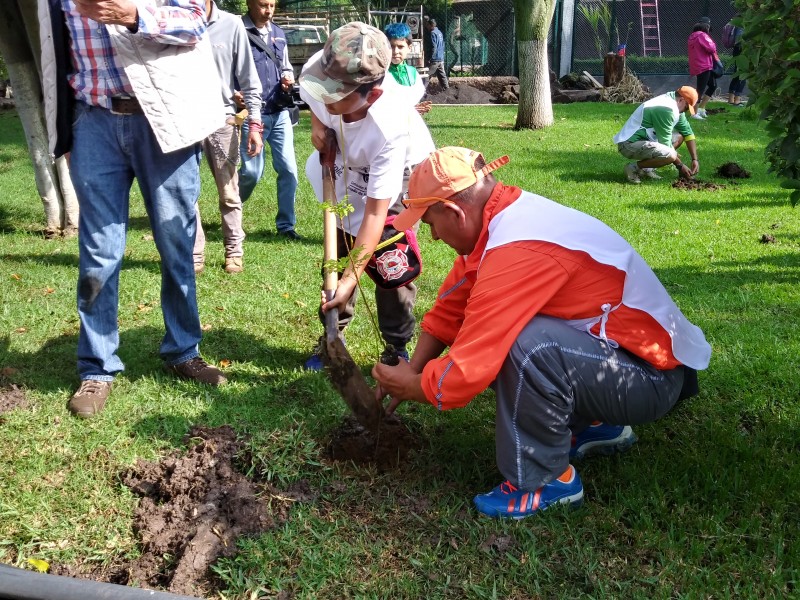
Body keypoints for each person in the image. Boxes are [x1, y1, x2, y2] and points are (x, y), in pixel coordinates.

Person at [372, 146, 712, 519]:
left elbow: (469, 368)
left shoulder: (518, 247)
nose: (433, 236)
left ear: (454, 211)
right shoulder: (500, 218)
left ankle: (545, 481)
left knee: (525, 344)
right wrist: (415, 368)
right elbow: (452, 307)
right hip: (630, 359)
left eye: (430, 223)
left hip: (651, 380)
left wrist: (413, 386)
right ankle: (597, 425)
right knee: (526, 337)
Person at [39, 0, 229, 418]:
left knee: (177, 243)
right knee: (98, 255)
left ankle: (184, 350)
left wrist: (132, 15)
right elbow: (54, 52)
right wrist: (66, 134)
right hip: (94, 121)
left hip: (165, 119)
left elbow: (197, 18)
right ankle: (98, 368)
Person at [298, 22, 435, 369]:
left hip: (397, 177)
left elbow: (375, 215)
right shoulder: (329, 63)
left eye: (336, 94)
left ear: (371, 95)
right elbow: (312, 94)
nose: (326, 95)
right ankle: (333, 337)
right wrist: (318, 124)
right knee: (340, 248)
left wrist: (349, 281)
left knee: (391, 263)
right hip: (345, 160)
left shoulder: (391, 126)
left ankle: (396, 345)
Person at [193, 0, 264, 274]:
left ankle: (234, 250)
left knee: (229, 192)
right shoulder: (175, 22)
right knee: (187, 194)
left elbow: (249, 78)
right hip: (184, 122)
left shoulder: (231, 24)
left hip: (221, 121)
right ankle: (194, 252)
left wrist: (254, 125)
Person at [239, 0, 301, 241]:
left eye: (272, 5)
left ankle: (286, 225)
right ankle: (231, 209)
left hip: (279, 111)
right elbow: (228, 69)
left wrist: (288, 78)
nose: (268, 11)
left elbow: (286, 66)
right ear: (249, 3)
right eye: (263, 5)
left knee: (289, 170)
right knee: (252, 173)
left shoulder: (278, 33)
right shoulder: (238, 32)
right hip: (253, 113)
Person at [613, 86, 701, 184]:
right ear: (681, 100)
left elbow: (688, 133)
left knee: (679, 137)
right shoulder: (666, 109)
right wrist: (680, 166)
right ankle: (633, 168)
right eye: (686, 108)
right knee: (670, 155)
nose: (686, 111)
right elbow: (666, 144)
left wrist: (694, 159)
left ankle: (647, 169)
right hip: (629, 144)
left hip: (644, 141)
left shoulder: (674, 105)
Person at [384, 22, 432, 115]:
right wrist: (407, 110)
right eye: (391, 46)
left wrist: (416, 108)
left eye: (400, 47)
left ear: (409, 48)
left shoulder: (413, 73)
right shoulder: (381, 72)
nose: (395, 51)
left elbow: (412, 99)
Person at [688, 20, 719, 120]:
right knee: (700, 89)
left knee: (713, 85)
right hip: (704, 65)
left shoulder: (692, 37)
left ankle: (701, 108)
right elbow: (712, 48)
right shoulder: (702, 36)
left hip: (698, 65)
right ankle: (694, 113)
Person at [725, 16, 746, 106]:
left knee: (736, 73)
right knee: (743, 74)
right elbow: (739, 39)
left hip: (737, 50)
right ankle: (737, 99)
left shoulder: (736, 22)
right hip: (742, 50)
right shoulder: (743, 24)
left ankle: (731, 99)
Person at [425, 18, 449, 90]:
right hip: (440, 57)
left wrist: (430, 58)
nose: (427, 27)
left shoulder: (432, 33)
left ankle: (421, 91)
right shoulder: (439, 32)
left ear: (431, 25)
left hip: (435, 58)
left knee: (427, 75)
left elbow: (434, 46)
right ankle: (447, 89)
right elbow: (442, 44)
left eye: (427, 25)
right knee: (442, 75)